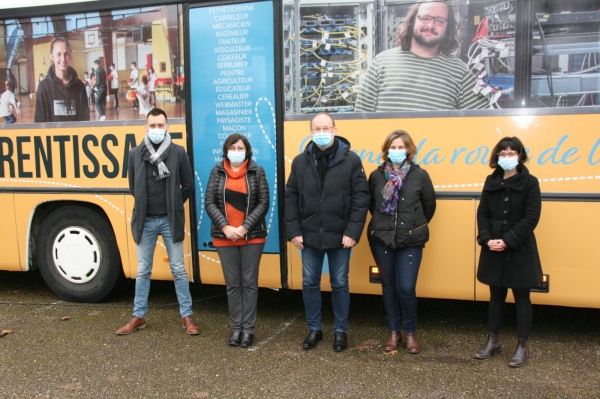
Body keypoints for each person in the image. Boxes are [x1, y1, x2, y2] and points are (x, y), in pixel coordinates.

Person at [285, 112, 370, 352]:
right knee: (310, 283)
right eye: (316, 128)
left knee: (340, 283)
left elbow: (361, 198)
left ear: (334, 129)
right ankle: (314, 329)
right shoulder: (301, 161)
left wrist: (353, 231)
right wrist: (294, 231)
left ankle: (340, 331)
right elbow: (291, 196)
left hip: (341, 235)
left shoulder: (351, 160)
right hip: (309, 235)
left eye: (325, 128)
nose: (321, 132)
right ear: (310, 132)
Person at [117, 107, 199, 336]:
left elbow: (188, 186)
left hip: (169, 219)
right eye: (152, 125)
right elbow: (133, 187)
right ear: (146, 127)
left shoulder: (178, 152)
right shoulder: (135, 154)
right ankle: (138, 316)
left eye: (160, 125)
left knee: (179, 269)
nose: (156, 129)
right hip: (145, 221)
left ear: (167, 127)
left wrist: (174, 204)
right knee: (143, 270)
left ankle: (187, 316)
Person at [474, 136, 542, 368]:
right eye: (502, 153)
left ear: (520, 156)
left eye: (512, 153)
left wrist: (508, 240)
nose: (507, 157)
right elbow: (482, 212)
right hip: (493, 245)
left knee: (522, 297)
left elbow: (531, 218)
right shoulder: (490, 181)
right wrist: (486, 238)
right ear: (496, 157)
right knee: (496, 296)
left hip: (519, 247)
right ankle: (493, 341)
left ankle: (522, 346)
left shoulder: (530, 182)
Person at [367, 130, 436, 355]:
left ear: (409, 150)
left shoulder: (420, 175)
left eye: (401, 147)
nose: (396, 151)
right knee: (388, 287)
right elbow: (372, 206)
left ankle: (410, 333)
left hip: (410, 241)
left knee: (406, 288)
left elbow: (429, 207)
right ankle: (393, 332)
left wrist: (412, 228)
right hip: (382, 240)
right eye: (392, 147)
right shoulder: (377, 176)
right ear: (386, 150)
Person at [354, 1, 488, 112]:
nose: (430, 25)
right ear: (413, 20)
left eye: (439, 21)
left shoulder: (459, 71)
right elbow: (360, 120)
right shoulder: (381, 63)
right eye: (425, 18)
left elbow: (480, 123)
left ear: (448, 27)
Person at [205, 134, 269, 348]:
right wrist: (225, 227)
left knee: (249, 284)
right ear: (226, 150)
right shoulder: (217, 171)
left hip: (252, 237)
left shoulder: (257, 171)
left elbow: (263, 203)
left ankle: (248, 330)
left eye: (240, 147)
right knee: (233, 285)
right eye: (233, 147)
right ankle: (236, 329)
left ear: (247, 151)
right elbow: (210, 202)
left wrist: (243, 228)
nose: (236, 151)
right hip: (224, 237)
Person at [34, 37, 89, 122]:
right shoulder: (44, 87)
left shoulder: (79, 86)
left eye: (66, 54)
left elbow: (85, 118)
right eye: (58, 54)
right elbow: (39, 121)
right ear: (52, 57)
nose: (63, 59)